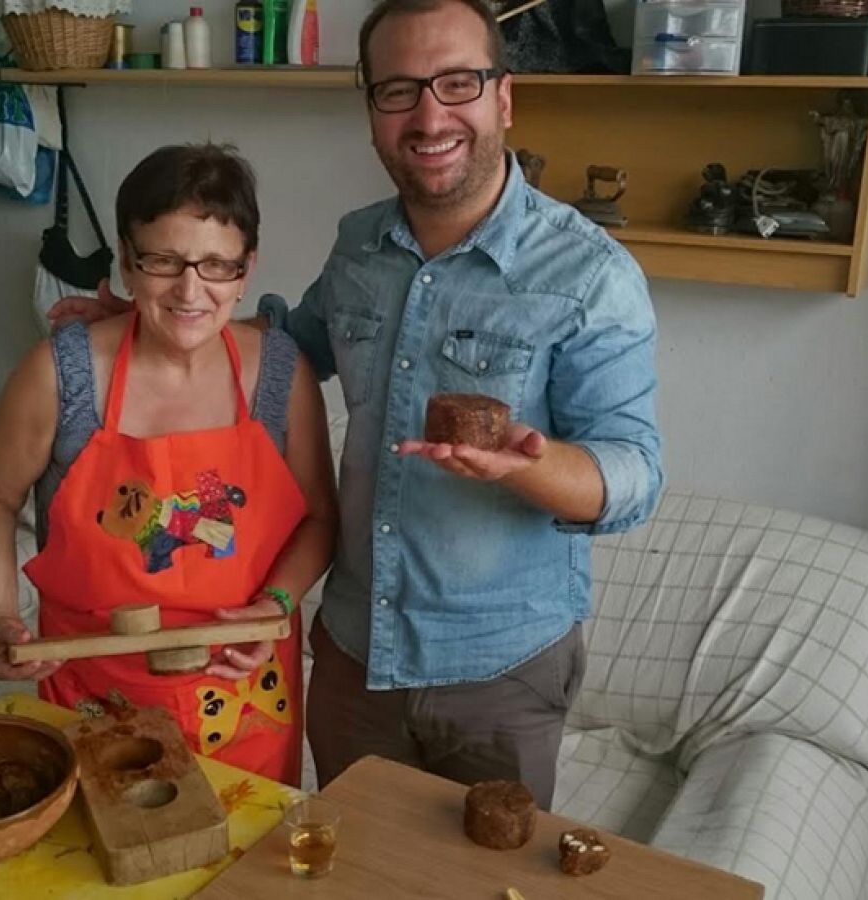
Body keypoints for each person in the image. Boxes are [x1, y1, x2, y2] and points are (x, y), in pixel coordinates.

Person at [51, 0, 661, 808]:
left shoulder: (590, 274)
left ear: (503, 97)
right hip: (350, 656)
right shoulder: (360, 246)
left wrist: (532, 467)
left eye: (457, 83)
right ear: (371, 109)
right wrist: (159, 312)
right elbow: (288, 348)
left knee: (486, 884)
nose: (429, 115)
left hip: (496, 673)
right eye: (398, 90)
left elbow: (635, 472)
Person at [0, 144, 337, 787]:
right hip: (93, 684)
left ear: (246, 272)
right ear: (128, 264)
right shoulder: (62, 374)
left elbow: (320, 518)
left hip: (240, 690)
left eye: (216, 265)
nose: (191, 290)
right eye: (163, 261)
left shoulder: (281, 374)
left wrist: (276, 602)